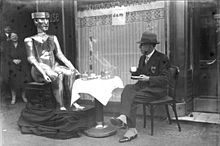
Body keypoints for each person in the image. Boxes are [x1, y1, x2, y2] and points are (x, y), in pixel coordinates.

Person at [110, 31, 170, 143]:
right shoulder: (142, 58)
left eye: (143, 44)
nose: (140, 47)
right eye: (141, 44)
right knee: (127, 88)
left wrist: (149, 79)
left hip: (156, 90)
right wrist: (135, 72)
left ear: (151, 45)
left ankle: (131, 129)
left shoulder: (162, 58)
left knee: (132, 98)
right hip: (142, 87)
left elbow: (166, 79)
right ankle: (124, 117)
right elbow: (140, 74)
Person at [24, 12, 84, 111]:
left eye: (47, 19)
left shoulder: (53, 38)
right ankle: (60, 105)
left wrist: (73, 68)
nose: (46, 22)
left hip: (52, 65)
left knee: (70, 73)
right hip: (39, 68)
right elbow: (31, 59)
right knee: (56, 75)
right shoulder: (29, 40)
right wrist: (44, 74)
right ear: (35, 21)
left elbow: (59, 54)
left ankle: (73, 102)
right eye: (42, 19)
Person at [7, 32, 28, 104]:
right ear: (10, 38)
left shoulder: (22, 45)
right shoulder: (8, 46)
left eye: (16, 36)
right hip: (12, 66)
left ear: (18, 37)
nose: (14, 37)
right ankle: (14, 97)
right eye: (13, 36)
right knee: (13, 82)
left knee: (23, 82)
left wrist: (21, 60)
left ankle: (23, 96)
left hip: (22, 65)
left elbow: (26, 54)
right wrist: (12, 60)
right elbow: (5, 56)